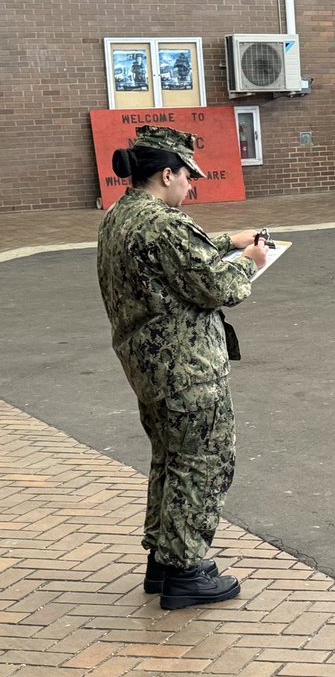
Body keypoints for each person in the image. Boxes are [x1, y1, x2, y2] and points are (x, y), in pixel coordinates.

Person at [96, 125, 267, 609]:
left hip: (149, 367)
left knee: (171, 460)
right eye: (187, 176)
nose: (191, 185)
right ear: (166, 174)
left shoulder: (122, 216)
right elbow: (215, 288)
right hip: (185, 368)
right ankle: (185, 571)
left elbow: (177, 256)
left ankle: (165, 559)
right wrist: (250, 260)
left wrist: (228, 241)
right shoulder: (163, 224)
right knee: (204, 462)